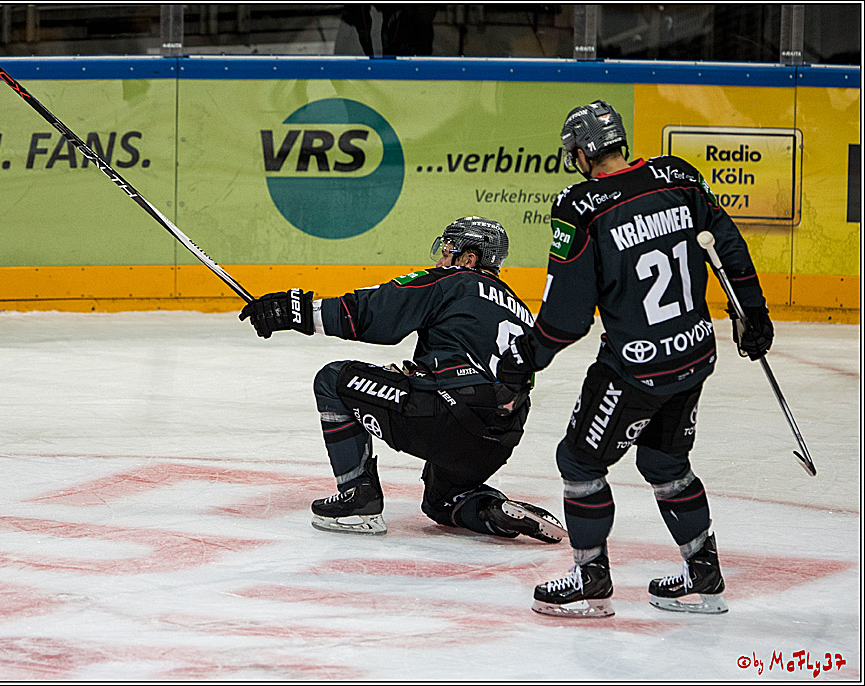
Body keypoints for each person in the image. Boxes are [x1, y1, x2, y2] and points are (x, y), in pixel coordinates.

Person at [496, 100, 773, 617]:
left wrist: (525, 359)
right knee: (665, 462)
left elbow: (567, 317)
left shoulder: (581, 207)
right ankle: (702, 574)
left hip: (636, 366)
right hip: (694, 352)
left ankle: (590, 578)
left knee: (579, 460)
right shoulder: (678, 176)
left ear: (581, 152)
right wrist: (752, 313)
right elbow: (728, 248)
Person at [239, 216, 566, 544]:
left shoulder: (453, 280)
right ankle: (490, 510)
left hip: (447, 414)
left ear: (469, 259)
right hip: (499, 441)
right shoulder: (521, 312)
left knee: (333, 380)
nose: (441, 258)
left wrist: (293, 311)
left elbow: (373, 313)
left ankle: (358, 499)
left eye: (449, 249)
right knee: (443, 502)